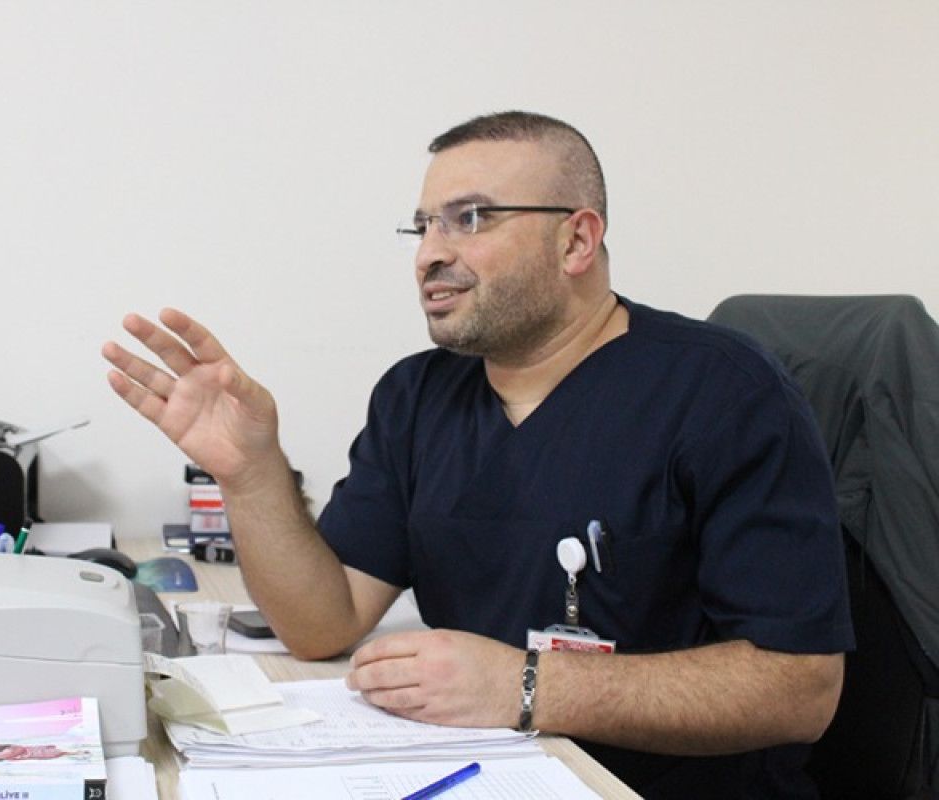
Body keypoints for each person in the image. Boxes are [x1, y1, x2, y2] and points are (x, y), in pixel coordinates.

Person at [102, 111, 854, 798]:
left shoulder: (723, 393)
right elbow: (322, 624)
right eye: (423, 226)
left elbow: (801, 690)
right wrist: (251, 474)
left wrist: (526, 687)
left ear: (576, 240)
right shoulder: (417, 397)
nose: (431, 254)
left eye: (470, 219)